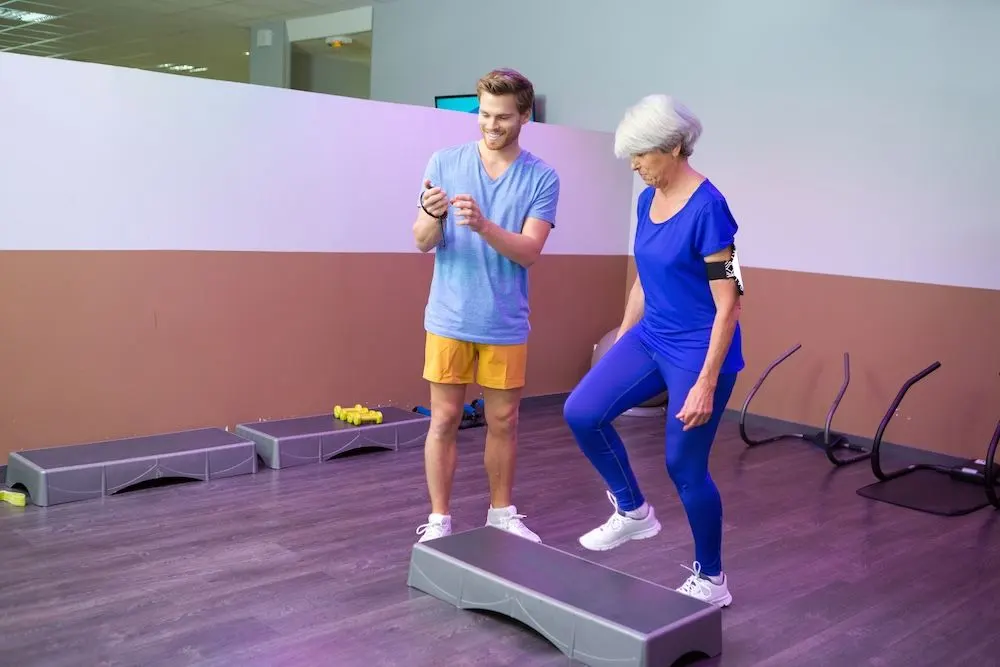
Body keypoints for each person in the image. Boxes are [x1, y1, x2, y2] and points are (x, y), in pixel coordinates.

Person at [562, 94, 744, 608]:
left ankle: (712, 579)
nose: (636, 165)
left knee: (684, 466)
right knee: (582, 411)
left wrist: (707, 381)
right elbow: (645, 273)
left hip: (699, 347)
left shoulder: (711, 209)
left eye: (642, 155)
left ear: (675, 146)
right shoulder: (647, 199)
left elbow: (729, 304)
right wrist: (624, 333)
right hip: (651, 335)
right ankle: (633, 511)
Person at [411, 68, 561, 544]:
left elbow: (530, 251)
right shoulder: (444, 161)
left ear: (524, 116)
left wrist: (483, 225)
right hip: (449, 316)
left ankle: (501, 513)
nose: (491, 125)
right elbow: (421, 241)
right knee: (444, 420)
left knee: (503, 421)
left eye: (502, 117)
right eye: (484, 114)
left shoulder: (542, 177)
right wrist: (434, 217)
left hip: (504, 320)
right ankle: (439, 520)